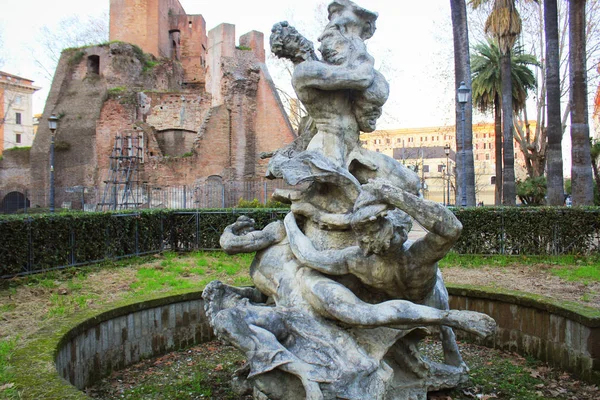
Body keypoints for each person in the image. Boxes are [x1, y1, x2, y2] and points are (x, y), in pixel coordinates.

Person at [283, 178, 495, 366]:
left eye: (385, 227)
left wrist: (393, 195)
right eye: (371, 230)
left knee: (438, 290)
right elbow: (309, 256)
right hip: (390, 307)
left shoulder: (418, 256)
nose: (381, 235)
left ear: (401, 230)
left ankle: (449, 341)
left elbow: (452, 229)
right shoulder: (358, 261)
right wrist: (289, 222)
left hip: (427, 299)